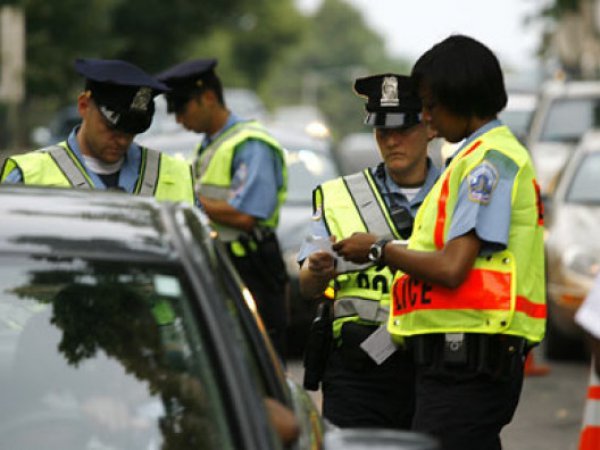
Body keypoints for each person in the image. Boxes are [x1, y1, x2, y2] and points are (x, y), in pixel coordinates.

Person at [332, 35, 546, 450]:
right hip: (458, 360)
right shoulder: (472, 158)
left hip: (468, 362)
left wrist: (378, 249)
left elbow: (451, 268)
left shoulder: (488, 164)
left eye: (431, 104)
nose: (426, 118)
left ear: (460, 96)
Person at [297, 73, 439, 429]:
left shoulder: (456, 194)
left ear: (430, 129)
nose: (392, 141)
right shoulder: (338, 196)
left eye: (403, 129)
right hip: (358, 375)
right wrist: (316, 272)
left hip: (436, 370)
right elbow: (306, 286)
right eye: (381, 131)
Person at [156, 59, 289, 358]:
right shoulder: (213, 144)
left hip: (252, 267)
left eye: (182, 108)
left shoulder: (251, 145)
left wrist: (186, 199)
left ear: (209, 98)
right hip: (224, 263)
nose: (178, 120)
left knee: (258, 362)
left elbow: (246, 215)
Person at [1, 58, 195, 205]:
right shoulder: (28, 176)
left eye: (130, 132)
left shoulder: (178, 174)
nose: (121, 141)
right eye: (111, 128)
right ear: (84, 105)